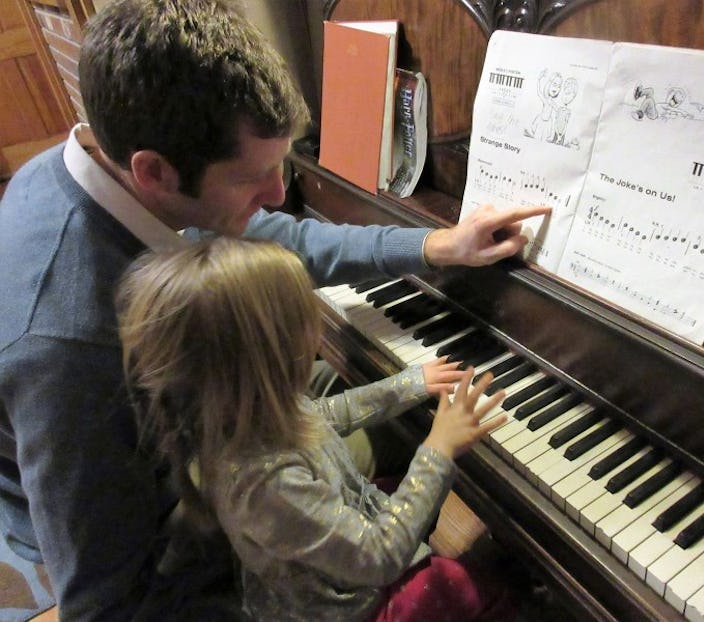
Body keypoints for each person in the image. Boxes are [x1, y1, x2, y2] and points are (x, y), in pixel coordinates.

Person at [0, 0, 549, 619]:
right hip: (151, 521)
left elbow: (276, 239)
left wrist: (435, 244)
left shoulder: (103, 160)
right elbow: (107, 598)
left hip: (214, 424)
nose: (279, 196)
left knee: (380, 408)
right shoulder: (66, 349)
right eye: (252, 177)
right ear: (154, 174)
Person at [116, 237, 514, 622]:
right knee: (462, 583)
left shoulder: (247, 411)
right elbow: (380, 556)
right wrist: (438, 449)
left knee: (406, 499)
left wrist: (409, 384)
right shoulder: (266, 481)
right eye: (303, 317)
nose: (316, 326)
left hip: (339, 561)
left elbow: (327, 413)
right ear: (267, 355)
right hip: (345, 608)